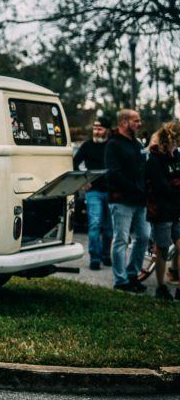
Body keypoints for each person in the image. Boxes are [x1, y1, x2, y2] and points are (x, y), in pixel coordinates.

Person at [106, 109, 150, 292]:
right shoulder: (113, 145)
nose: (139, 124)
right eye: (136, 121)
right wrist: (135, 188)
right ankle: (121, 280)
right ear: (124, 122)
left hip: (140, 201)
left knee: (144, 237)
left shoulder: (137, 144)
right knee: (121, 239)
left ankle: (132, 275)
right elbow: (114, 173)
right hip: (122, 200)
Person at [144, 120, 180, 300]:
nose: (176, 148)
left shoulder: (177, 158)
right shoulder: (154, 160)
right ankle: (161, 287)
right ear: (166, 143)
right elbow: (161, 186)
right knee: (163, 249)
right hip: (160, 210)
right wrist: (175, 186)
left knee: (179, 246)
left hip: (176, 209)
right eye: (174, 145)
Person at [73, 117, 113, 270]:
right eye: (95, 128)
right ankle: (95, 258)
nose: (96, 131)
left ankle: (106, 255)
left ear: (107, 130)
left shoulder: (112, 146)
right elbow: (75, 162)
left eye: (100, 128)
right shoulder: (87, 145)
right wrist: (84, 181)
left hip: (111, 192)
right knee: (95, 225)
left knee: (109, 228)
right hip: (93, 192)